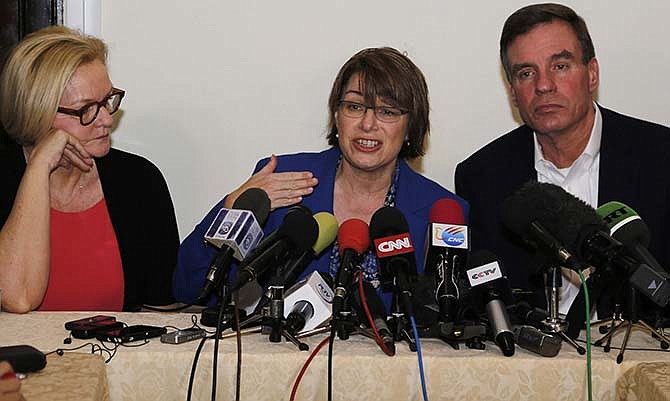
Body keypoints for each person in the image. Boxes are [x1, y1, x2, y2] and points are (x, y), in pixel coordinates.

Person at [174, 47, 469, 310]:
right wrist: (233, 206)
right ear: (337, 116)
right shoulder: (283, 181)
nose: (367, 124)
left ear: (410, 127)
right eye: (354, 106)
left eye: (387, 111)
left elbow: (449, 313)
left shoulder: (442, 211)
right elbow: (191, 289)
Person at [455, 3, 670, 316]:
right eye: (526, 73)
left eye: (560, 66)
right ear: (513, 93)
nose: (543, 85)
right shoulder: (481, 177)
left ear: (592, 73)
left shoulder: (661, 158)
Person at [0, 26, 179, 313]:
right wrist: (39, 167)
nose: (106, 119)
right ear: (36, 113)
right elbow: (16, 298)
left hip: (116, 357)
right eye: (86, 109)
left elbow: (161, 310)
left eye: (107, 100)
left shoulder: (139, 181)